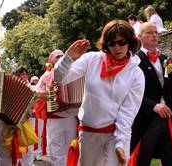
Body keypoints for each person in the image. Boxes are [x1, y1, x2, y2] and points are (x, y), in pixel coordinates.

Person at [54, 19, 145, 166]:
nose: (117, 47)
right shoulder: (92, 59)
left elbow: (128, 111)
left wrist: (121, 143)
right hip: (89, 132)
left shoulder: (136, 74)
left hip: (115, 134)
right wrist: (68, 58)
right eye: (112, 43)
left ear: (130, 42)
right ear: (106, 44)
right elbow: (60, 78)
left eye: (122, 42)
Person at [129, 22, 172, 166]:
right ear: (139, 36)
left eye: (155, 32)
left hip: (168, 117)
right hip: (145, 119)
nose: (154, 35)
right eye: (149, 32)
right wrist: (153, 106)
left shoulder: (166, 59)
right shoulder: (134, 61)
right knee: (141, 159)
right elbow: (130, 92)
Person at [35, 49, 79, 166]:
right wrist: (45, 95)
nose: (60, 58)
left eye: (62, 56)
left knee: (72, 148)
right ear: (51, 61)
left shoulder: (74, 73)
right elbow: (37, 92)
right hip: (54, 119)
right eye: (57, 57)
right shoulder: (45, 76)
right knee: (56, 151)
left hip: (71, 118)